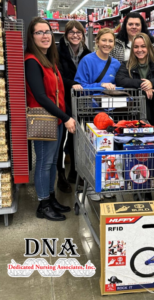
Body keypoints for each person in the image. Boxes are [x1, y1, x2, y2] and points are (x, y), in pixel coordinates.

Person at [25, 17, 76, 221]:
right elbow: (40, 96)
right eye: (39, 32)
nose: (45, 36)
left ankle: (51, 197)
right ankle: (43, 204)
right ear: (32, 36)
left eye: (47, 32)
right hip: (45, 120)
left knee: (53, 161)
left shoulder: (48, 59)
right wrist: (65, 117)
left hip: (55, 120)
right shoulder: (32, 61)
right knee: (44, 164)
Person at [56, 20, 91, 193]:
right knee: (60, 139)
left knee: (77, 136)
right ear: (66, 33)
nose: (75, 35)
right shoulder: (57, 51)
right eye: (71, 32)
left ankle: (74, 172)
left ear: (83, 34)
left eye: (79, 32)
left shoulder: (88, 53)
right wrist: (73, 84)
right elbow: (57, 76)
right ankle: (60, 175)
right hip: (62, 99)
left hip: (81, 101)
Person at [115, 32, 154, 126]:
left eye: (143, 46)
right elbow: (120, 80)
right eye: (136, 47)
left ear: (148, 48)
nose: (139, 50)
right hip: (133, 112)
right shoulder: (126, 65)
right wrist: (143, 85)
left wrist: (152, 83)